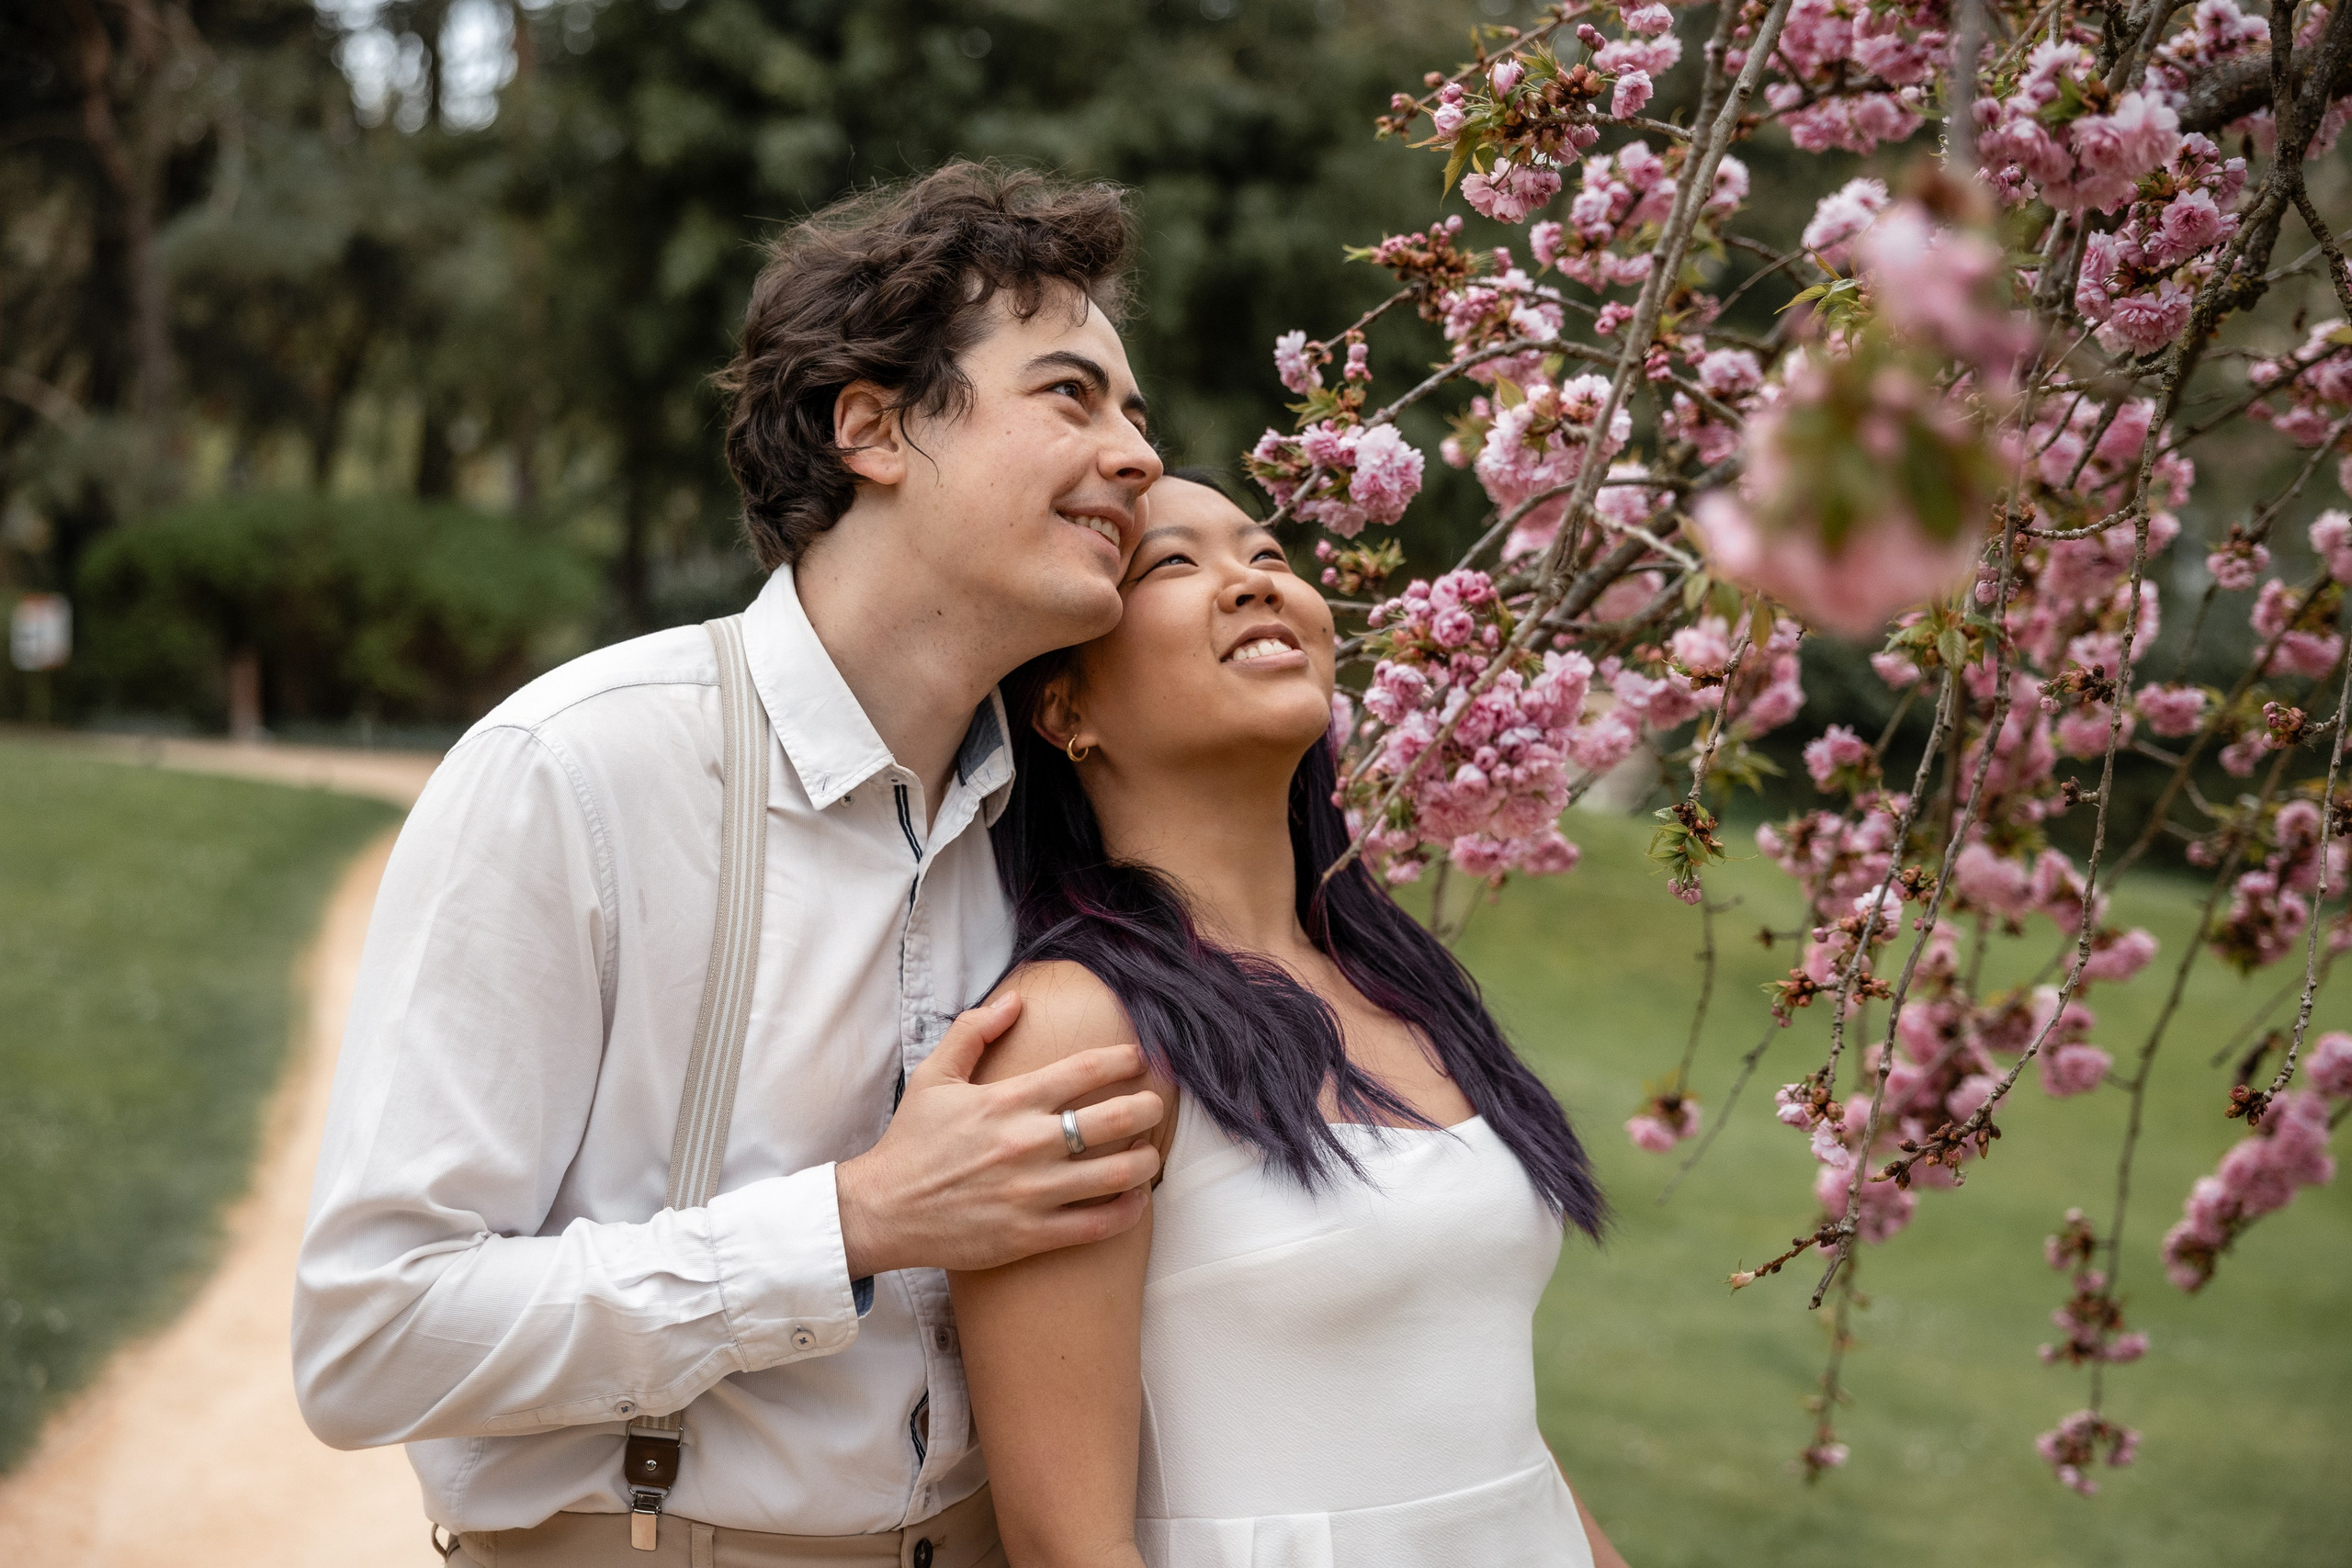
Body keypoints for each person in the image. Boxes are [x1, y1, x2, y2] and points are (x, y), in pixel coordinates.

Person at [292, 163, 1172, 1566]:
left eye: (1137, 413)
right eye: (1073, 395)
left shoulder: (1067, 814)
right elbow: (371, 1333)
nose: (1139, 455)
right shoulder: (574, 770)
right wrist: (852, 1221)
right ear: (876, 429)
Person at [948, 474, 1631, 1567]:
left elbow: (1488, 1433)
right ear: (1065, 710)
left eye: (1267, 555)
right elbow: (1064, 1544)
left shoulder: (1397, 981)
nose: (1250, 585)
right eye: (1173, 564)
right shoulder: (1084, 1033)